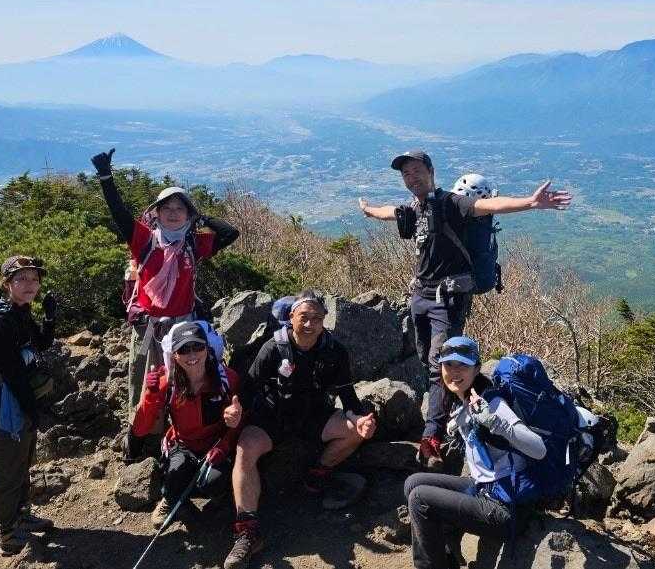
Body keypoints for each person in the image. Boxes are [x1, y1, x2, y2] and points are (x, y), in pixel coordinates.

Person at [357, 150, 571, 468]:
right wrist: (370, 211)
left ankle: (432, 437)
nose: (411, 178)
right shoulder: (417, 207)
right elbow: (392, 212)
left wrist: (530, 202)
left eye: (416, 171)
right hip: (420, 295)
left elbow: (489, 206)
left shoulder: (452, 203)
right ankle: (455, 406)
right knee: (426, 358)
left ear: (431, 172)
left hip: (447, 299)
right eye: (406, 174)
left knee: (438, 363)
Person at [224, 290, 378, 569]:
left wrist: (359, 420)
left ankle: (317, 474)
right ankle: (247, 531)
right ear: (291, 317)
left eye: (317, 318)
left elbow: (348, 396)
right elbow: (249, 389)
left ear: (324, 320)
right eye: (304, 317)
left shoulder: (334, 351)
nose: (309, 324)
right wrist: (236, 411)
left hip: (313, 415)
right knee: (245, 448)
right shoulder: (273, 348)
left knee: (356, 430)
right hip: (273, 416)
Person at [89, 148, 239, 431]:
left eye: (180, 209)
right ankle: (142, 435)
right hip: (150, 328)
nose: (173, 213)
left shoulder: (193, 244)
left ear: (188, 215)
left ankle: (179, 432)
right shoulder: (144, 240)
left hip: (184, 329)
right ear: (156, 213)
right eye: (167, 208)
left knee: (183, 384)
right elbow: (119, 213)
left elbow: (231, 233)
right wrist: (106, 177)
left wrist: (201, 218)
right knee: (145, 385)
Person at [403, 336, 546, 569]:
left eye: (463, 365)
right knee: (413, 483)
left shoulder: (493, 403)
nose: (454, 372)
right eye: (449, 364)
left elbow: (539, 449)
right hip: (485, 489)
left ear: (477, 368)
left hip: (507, 507)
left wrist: (496, 423)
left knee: (420, 499)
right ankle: (446, 555)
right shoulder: (462, 401)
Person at [0, 255, 58, 556]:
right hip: (2, 406)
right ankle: (6, 533)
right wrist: (33, 410)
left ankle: (22, 514)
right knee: (6, 467)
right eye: (21, 279)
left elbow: (40, 344)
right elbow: (12, 373)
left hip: (18, 400)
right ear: (7, 284)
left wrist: (50, 317)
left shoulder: (20, 312)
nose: (30, 284)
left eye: (34, 279)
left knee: (22, 461)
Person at [132, 319, 244, 527]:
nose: (192, 355)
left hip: (215, 444)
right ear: (174, 355)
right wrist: (150, 395)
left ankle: (219, 498)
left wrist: (224, 444)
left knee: (215, 481)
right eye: (184, 349)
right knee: (175, 474)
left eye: (197, 347)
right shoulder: (167, 382)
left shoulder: (227, 379)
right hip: (182, 444)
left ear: (207, 349)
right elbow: (140, 429)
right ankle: (171, 498)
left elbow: (242, 421)